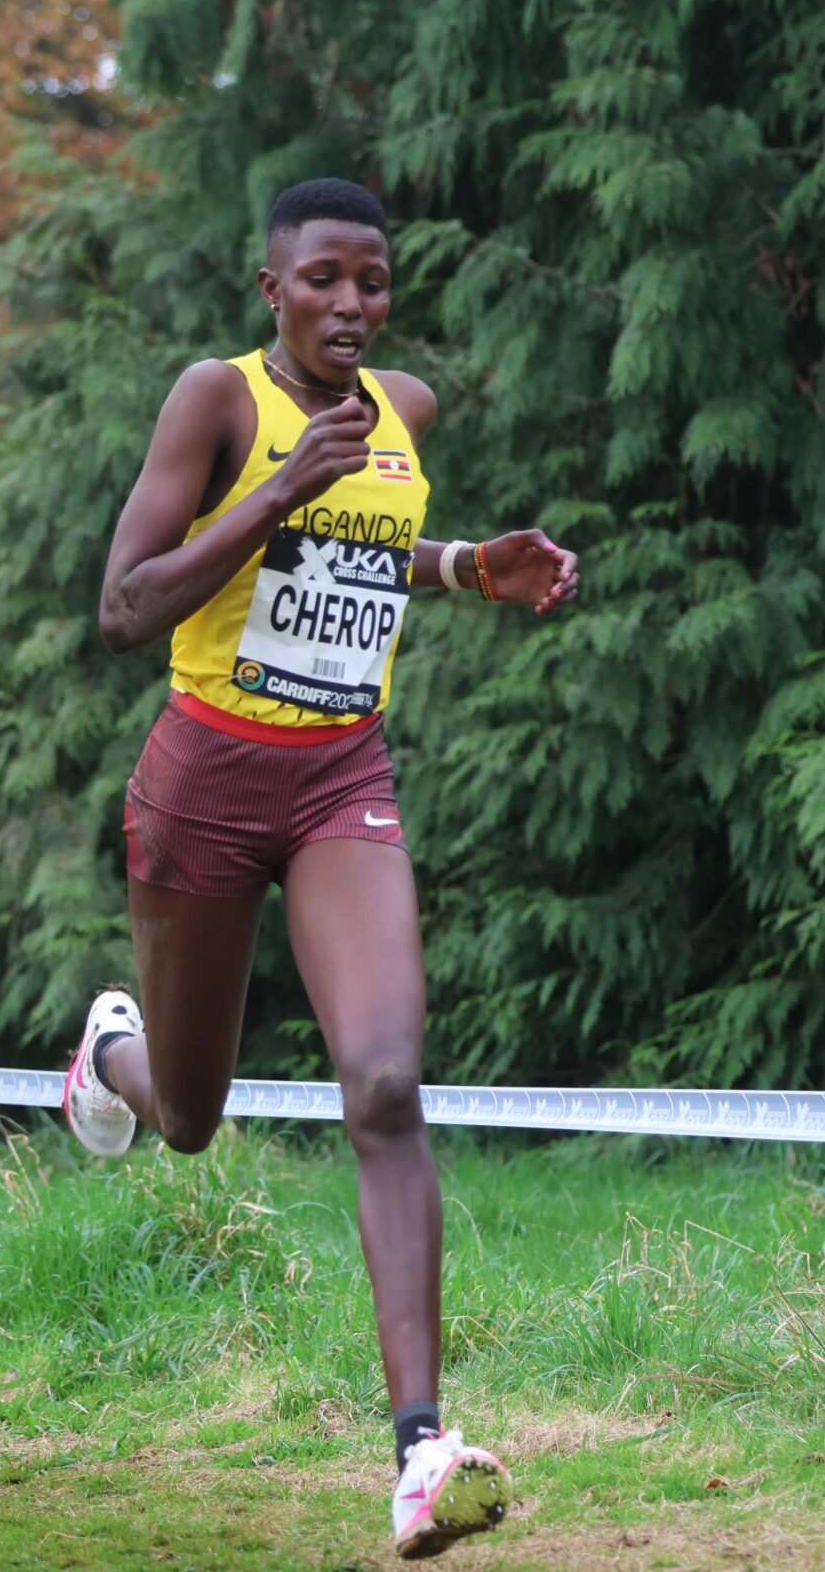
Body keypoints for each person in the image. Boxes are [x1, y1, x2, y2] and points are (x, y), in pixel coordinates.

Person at [63, 178, 580, 1560]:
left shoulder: (404, 408)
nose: (352, 304)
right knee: (186, 1114)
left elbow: (373, 555)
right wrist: (280, 487)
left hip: (344, 773)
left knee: (390, 1082)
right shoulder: (217, 401)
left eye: (373, 281)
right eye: (324, 281)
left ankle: (422, 1449)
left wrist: (473, 566)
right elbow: (125, 605)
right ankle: (108, 1057)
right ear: (270, 286)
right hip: (204, 782)